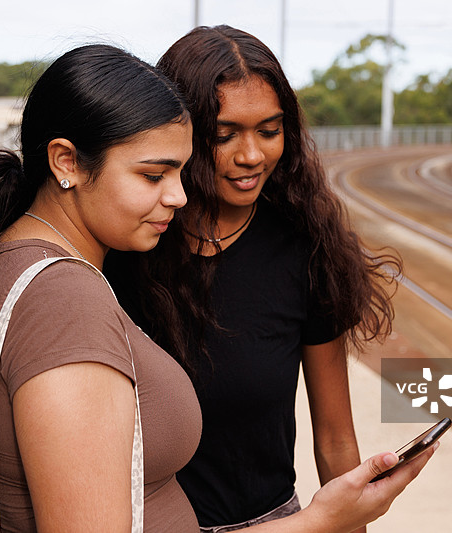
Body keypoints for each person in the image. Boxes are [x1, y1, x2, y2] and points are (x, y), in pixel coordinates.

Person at [0, 42, 433, 533]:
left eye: (270, 130)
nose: (176, 195)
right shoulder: (74, 291)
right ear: (66, 162)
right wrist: (319, 522)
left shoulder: (0, 262)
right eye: (154, 174)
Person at [105, 26, 406, 532]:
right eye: (224, 136)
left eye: (269, 130)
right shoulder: (126, 247)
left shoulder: (306, 249)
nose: (252, 156)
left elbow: (334, 438)